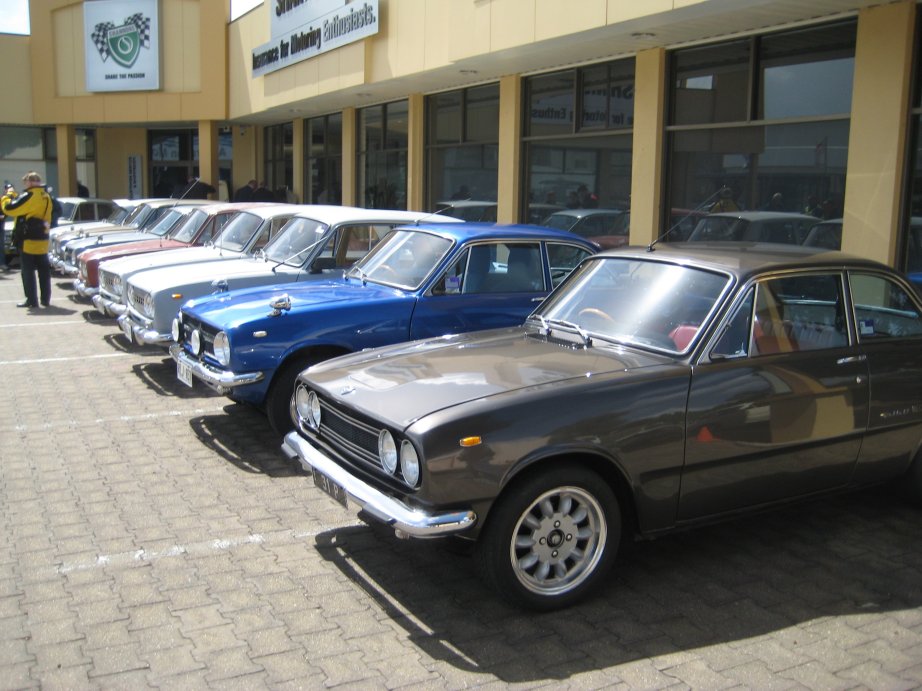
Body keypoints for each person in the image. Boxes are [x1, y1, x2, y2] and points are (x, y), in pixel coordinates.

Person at [1, 172, 53, 309]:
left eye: (25, 182)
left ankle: (31, 300)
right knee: (43, 271)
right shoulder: (46, 196)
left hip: (28, 240)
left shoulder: (30, 195)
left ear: (29, 182)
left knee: (27, 271)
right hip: (42, 238)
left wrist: (8, 195)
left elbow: (10, 209)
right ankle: (45, 299)